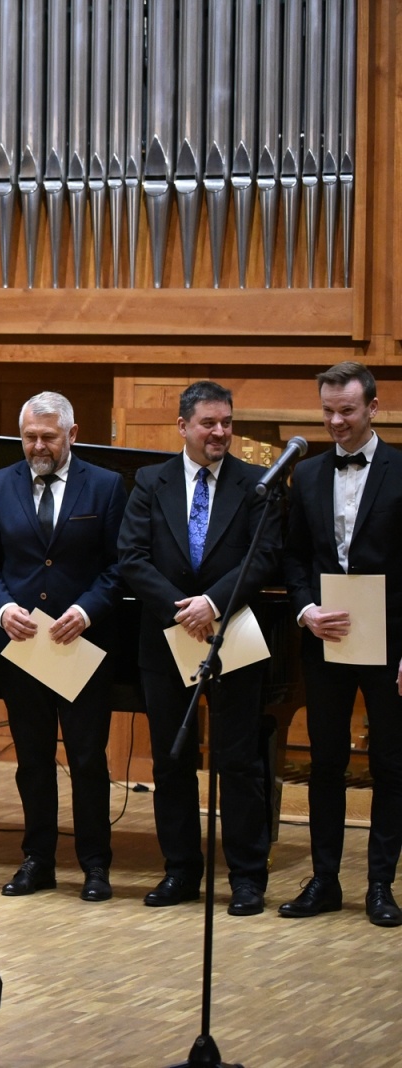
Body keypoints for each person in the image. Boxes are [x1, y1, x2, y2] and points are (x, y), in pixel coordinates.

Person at [116, 380, 277, 916]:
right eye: (209, 423)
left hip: (234, 634)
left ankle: (248, 877)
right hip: (166, 640)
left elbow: (263, 556)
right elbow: (131, 556)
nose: (220, 432)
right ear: (183, 426)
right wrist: (181, 608)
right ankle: (181, 870)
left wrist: (212, 603)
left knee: (240, 763)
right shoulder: (150, 481)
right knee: (171, 761)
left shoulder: (256, 483)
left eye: (226, 422)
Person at [0, 392, 128, 903]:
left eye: (48, 437)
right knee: (33, 760)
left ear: (72, 435)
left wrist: (86, 610)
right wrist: (1, 609)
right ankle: (37, 860)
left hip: (82, 645)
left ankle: (95, 865)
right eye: (29, 437)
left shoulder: (105, 486)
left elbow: (119, 565)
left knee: (87, 759)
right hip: (22, 647)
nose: (38, 446)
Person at [280, 361, 402, 927]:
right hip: (325, 637)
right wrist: (305, 609)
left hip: (391, 642)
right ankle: (324, 880)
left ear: (373, 408)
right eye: (327, 411)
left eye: (346, 410)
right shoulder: (305, 475)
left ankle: (380, 885)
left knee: (390, 764)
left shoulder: (401, 469)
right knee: (326, 761)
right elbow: (294, 556)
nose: (335, 421)